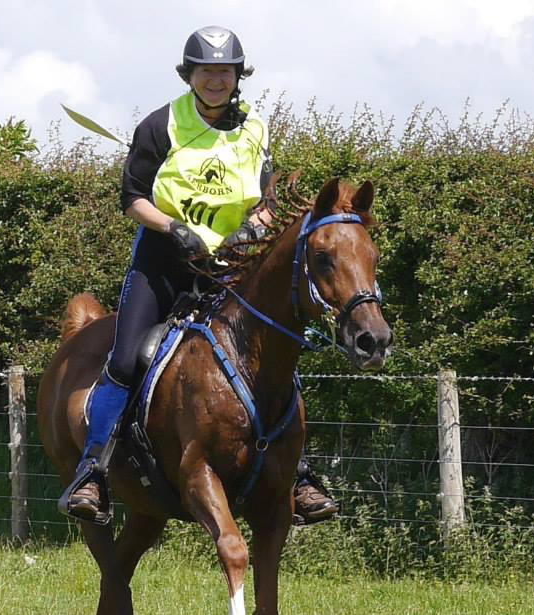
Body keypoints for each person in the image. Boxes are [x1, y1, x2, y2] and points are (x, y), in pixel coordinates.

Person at [59, 25, 338, 525]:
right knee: (125, 360)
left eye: (225, 72)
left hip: (230, 268)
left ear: (238, 77)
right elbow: (132, 199)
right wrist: (173, 227)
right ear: (190, 75)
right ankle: (93, 472)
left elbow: (266, 198)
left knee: (270, 357)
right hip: (164, 262)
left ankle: (298, 475)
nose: (216, 80)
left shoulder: (255, 126)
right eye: (207, 71)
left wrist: (252, 229)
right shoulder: (159, 125)